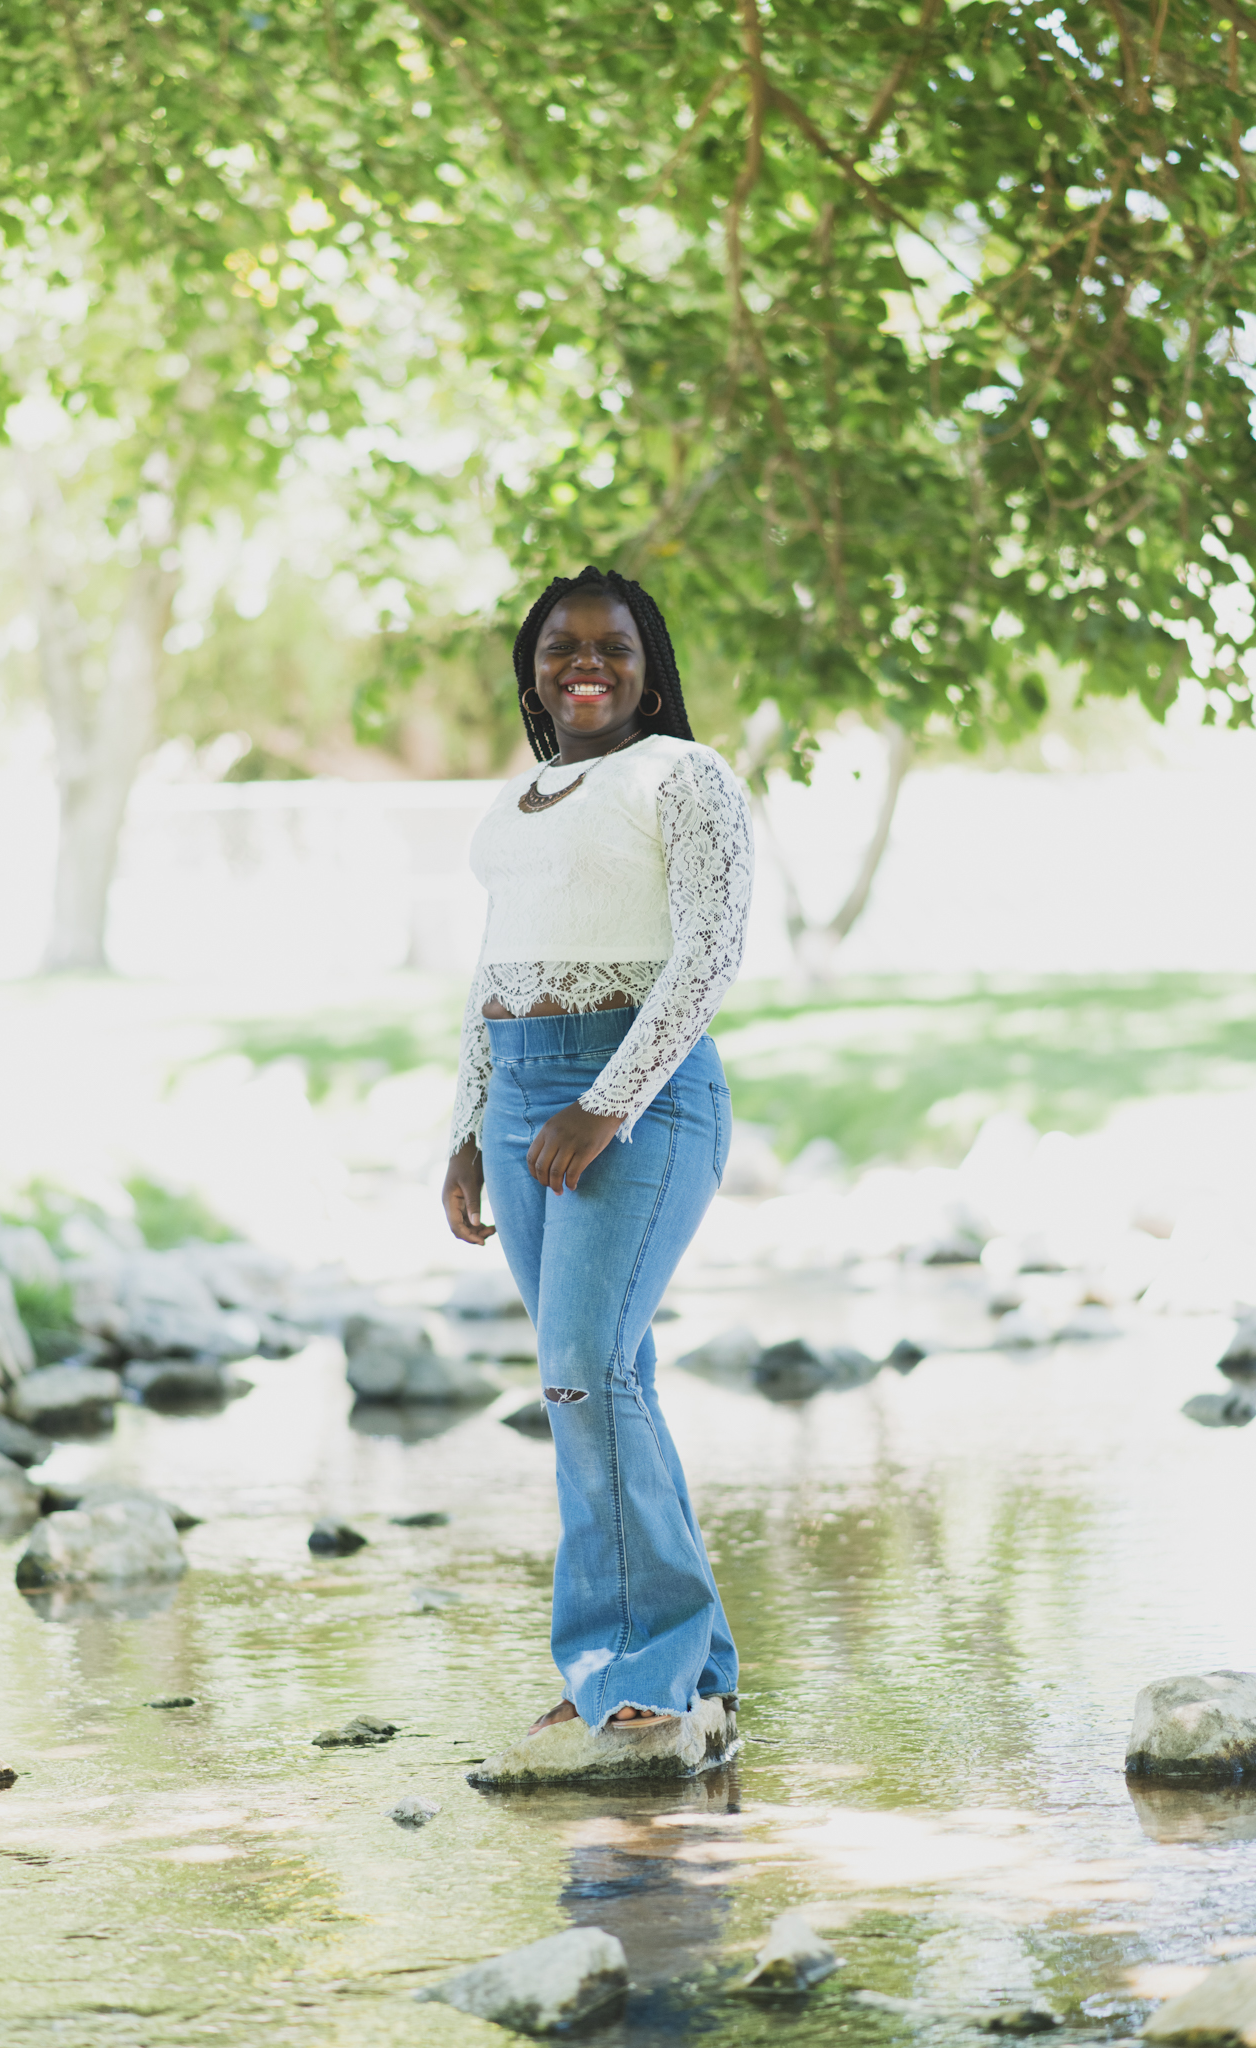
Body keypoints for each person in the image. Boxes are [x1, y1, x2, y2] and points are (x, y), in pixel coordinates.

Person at [442, 564, 753, 1739]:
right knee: (608, 1375)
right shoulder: (517, 804)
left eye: (612, 645)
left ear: (649, 662)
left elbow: (710, 954)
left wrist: (608, 1104)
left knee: (581, 1367)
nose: (586, 663)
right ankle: (694, 1665)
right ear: (532, 666)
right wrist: (469, 1129)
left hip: (642, 1090)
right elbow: (490, 975)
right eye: (561, 645)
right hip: (521, 1094)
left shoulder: (686, 776)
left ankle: (630, 1671)